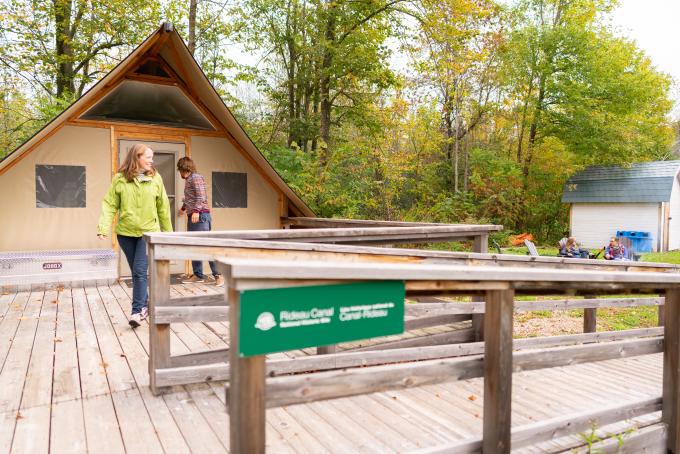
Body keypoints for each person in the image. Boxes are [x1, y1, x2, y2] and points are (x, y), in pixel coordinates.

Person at [97, 144, 172, 328]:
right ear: (137, 157)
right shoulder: (120, 180)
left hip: (148, 234)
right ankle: (145, 304)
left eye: (152, 157)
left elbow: (163, 207)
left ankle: (137, 311)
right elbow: (109, 204)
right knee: (137, 273)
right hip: (125, 234)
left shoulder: (156, 178)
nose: (151, 161)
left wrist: (168, 235)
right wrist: (103, 227)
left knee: (139, 272)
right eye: (148, 157)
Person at [177, 157, 224, 287]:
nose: (179, 173)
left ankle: (218, 275)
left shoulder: (196, 177)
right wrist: (182, 209)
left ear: (183, 168)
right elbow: (190, 199)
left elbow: (201, 196)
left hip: (201, 216)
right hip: (193, 216)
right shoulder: (188, 180)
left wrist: (197, 210)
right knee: (194, 246)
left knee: (206, 246)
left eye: (179, 170)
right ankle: (198, 275)